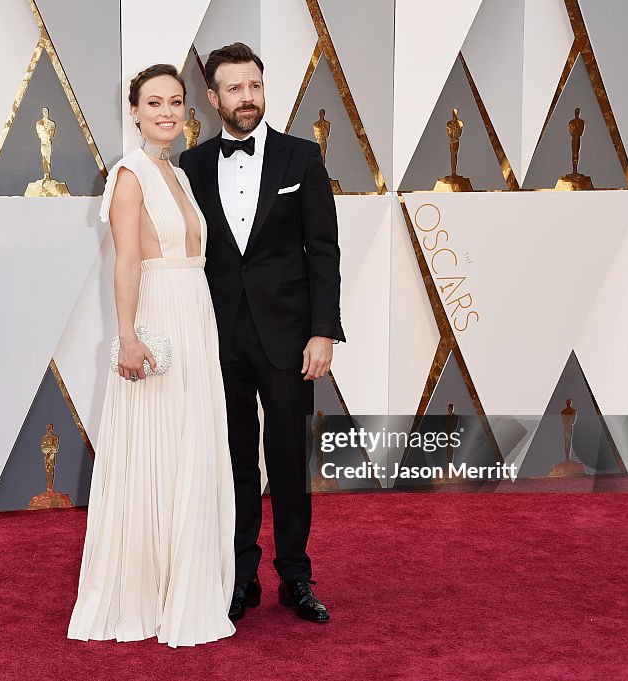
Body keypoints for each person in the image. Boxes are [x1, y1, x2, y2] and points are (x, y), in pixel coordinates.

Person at [68, 64, 235, 648]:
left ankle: (188, 585)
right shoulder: (130, 174)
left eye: (175, 102)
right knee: (159, 449)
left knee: (193, 446)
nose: (167, 111)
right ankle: (148, 594)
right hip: (158, 321)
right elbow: (126, 260)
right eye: (154, 102)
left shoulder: (179, 173)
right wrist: (129, 336)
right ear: (134, 111)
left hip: (196, 315)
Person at [179, 43, 345, 624]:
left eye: (254, 86)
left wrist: (323, 332)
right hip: (218, 338)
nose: (247, 97)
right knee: (233, 461)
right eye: (234, 89)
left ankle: (295, 577)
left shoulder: (302, 158)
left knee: (288, 458)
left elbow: (323, 251)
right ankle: (239, 575)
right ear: (214, 97)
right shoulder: (193, 166)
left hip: (290, 338)